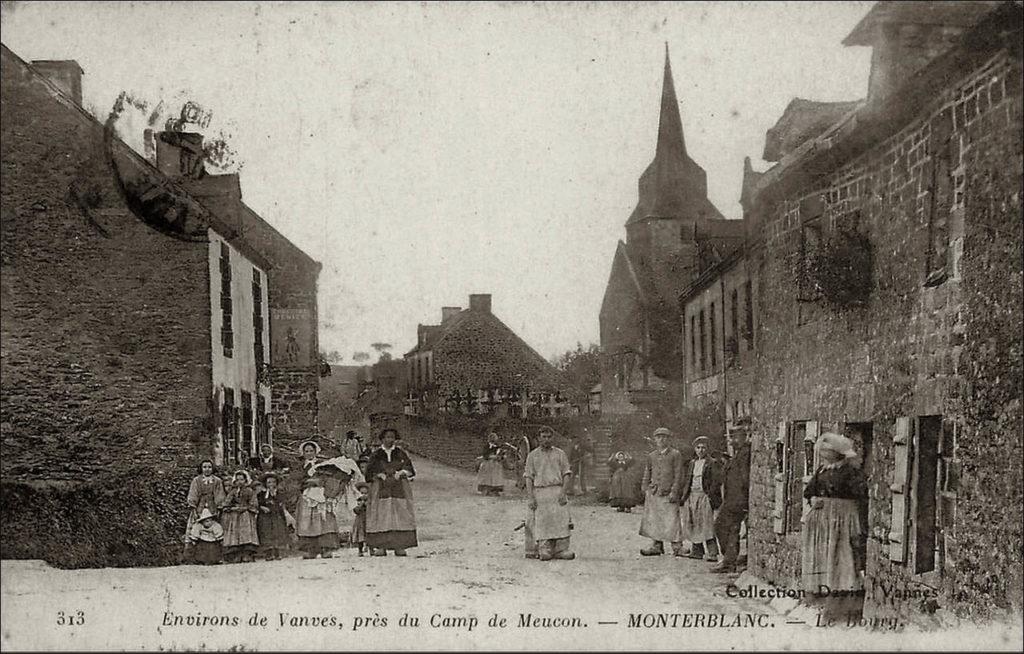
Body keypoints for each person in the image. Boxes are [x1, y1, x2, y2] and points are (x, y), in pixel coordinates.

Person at [802, 432, 868, 618]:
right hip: (825, 521)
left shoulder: (850, 472)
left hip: (842, 520)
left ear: (837, 453)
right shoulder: (823, 471)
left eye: (827, 452)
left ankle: (844, 604)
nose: (823, 456)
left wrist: (840, 508)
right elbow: (809, 491)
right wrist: (814, 500)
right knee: (827, 556)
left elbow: (859, 496)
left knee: (842, 555)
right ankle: (824, 598)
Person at [523, 426, 575, 561]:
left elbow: (566, 474)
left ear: (553, 438)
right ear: (539, 438)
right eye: (543, 437)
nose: (546, 440)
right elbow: (528, 477)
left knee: (561, 520)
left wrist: (563, 492)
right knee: (542, 521)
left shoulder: (560, 454)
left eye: (549, 437)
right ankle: (544, 548)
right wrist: (531, 497)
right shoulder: (532, 456)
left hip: (557, 491)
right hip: (540, 491)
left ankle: (561, 549)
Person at [365, 428, 418, 556]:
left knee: (399, 514)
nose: (390, 440)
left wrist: (401, 473)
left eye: (392, 437)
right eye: (387, 437)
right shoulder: (376, 454)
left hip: (398, 489)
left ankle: (399, 546)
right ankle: (381, 546)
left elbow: (409, 468)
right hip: (381, 489)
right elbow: (368, 472)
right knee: (381, 515)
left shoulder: (400, 453)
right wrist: (378, 474)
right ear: (382, 439)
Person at [292, 440, 342, 559]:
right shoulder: (300, 466)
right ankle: (310, 550)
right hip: (306, 496)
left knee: (324, 520)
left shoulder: (323, 465)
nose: (309, 453)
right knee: (307, 522)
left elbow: (330, 477)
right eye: (306, 451)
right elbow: (295, 480)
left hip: (321, 495)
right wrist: (306, 483)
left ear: (316, 452)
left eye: (311, 451)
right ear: (303, 453)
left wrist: (322, 483)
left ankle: (326, 548)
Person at [639, 427, 684, 556]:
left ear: (669, 439)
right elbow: (648, 472)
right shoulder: (651, 455)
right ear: (655, 439)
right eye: (658, 437)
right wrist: (645, 488)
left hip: (668, 493)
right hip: (654, 492)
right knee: (655, 519)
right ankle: (657, 545)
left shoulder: (675, 454)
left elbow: (678, 474)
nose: (661, 439)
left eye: (664, 437)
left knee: (672, 520)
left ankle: (677, 547)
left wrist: (674, 492)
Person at [712, 429, 751, 573]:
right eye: (731, 438)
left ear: (743, 437)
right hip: (732, 499)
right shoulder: (739, 454)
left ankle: (729, 561)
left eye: (734, 438)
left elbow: (745, 478)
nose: (731, 441)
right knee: (731, 529)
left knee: (721, 526)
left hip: (737, 500)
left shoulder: (745, 454)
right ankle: (729, 559)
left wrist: (745, 499)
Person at [677, 436, 721, 561]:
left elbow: (716, 481)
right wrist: (685, 496)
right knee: (694, 523)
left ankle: (713, 553)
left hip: (704, 496)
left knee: (706, 524)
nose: (701, 450)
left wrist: (710, 495)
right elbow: (688, 480)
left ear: (707, 449)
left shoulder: (712, 463)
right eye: (698, 447)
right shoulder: (692, 463)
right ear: (695, 449)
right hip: (692, 496)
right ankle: (697, 551)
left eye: (703, 448)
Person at [184, 459, 226, 551]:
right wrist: (194, 508)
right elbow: (193, 494)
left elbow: (220, 495)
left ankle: (216, 553)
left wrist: (219, 507)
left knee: (215, 528)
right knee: (196, 527)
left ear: (212, 468)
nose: (207, 469)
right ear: (201, 468)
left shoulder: (217, 481)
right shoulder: (196, 480)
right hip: (200, 508)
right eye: (204, 467)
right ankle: (193, 552)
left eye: (209, 467)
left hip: (212, 509)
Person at [221, 469, 260, 563]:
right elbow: (226, 502)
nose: (240, 482)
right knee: (235, 534)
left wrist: (246, 508)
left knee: (246, 533)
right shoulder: (233, 492)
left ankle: (247, 554)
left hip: (246, 514)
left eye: (242, 480)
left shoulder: (250, 491)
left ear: (246, 481)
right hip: (235, 515)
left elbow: (254, 503)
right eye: (237, 480)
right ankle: (236, 555)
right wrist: (232, 508)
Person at [256, 473, 295, 561]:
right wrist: (262, 507)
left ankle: (277, 552)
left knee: (278, 532)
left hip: (277, 515)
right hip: (265, 517)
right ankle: (268, 553)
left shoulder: (279, 493)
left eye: (273, 482)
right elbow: (257, 504)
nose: (271, 485)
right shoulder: (261, 494)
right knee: (266, 533)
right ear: (265, 484)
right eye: (269, 482)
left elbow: (282, 503)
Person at [476, 432, 506, 496]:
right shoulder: (486, 446)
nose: (494, 441)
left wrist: (500, 456)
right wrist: (491, 456)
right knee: (487, 475)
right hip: (488, 462)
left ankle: (495, 490)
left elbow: (500, 454)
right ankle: (486, 489)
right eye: (493, 439)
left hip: (495, 463)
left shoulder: (497, 446)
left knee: (496, 474)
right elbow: (485, 455)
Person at [351, 482, 369, 556]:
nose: (364, 495)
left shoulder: (369, 501)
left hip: (368, 519)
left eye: (366, 493)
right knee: (360, 535)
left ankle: (371, 549)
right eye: (362, 493)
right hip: (360, 520)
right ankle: (360, 550)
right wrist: (361, 504)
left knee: (369, 534)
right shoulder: (357, 501)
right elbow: (355, 510)